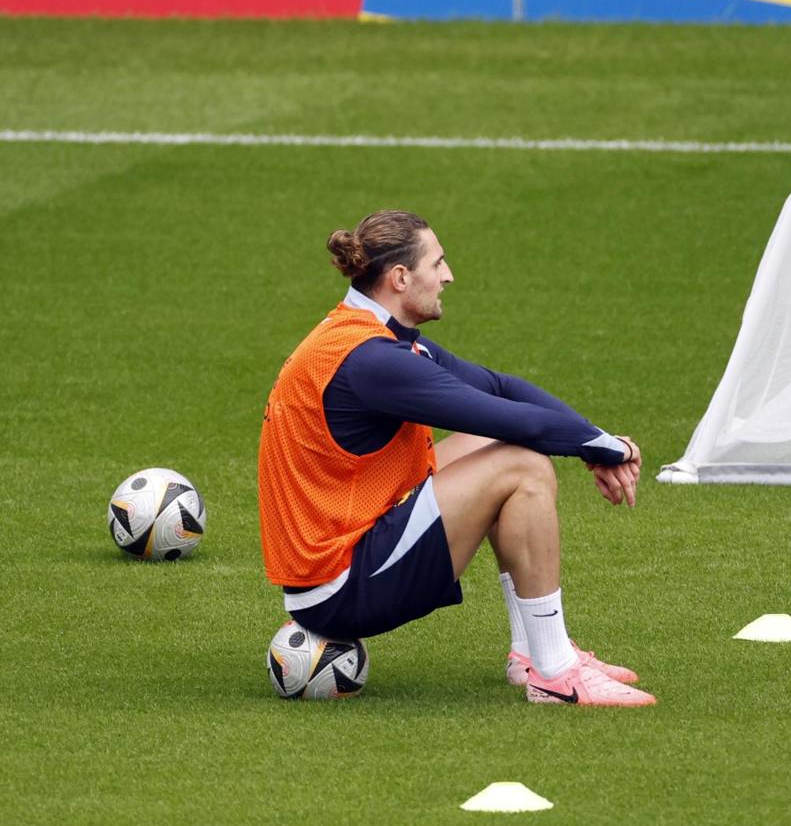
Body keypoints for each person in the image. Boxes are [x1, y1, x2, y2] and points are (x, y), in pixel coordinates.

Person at [258, 209, 655, 707]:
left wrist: (594, 439)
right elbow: (513, 419)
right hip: (340, 588)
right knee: (522, 463)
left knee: (503, 449)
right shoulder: (372, 361)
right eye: (437, 263)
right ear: (400, 278)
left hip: (342, 553)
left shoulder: (369, 337)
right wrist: (613, 449)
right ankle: (556, 675)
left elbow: (501, 388)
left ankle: (532, 652)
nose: (448, 276)